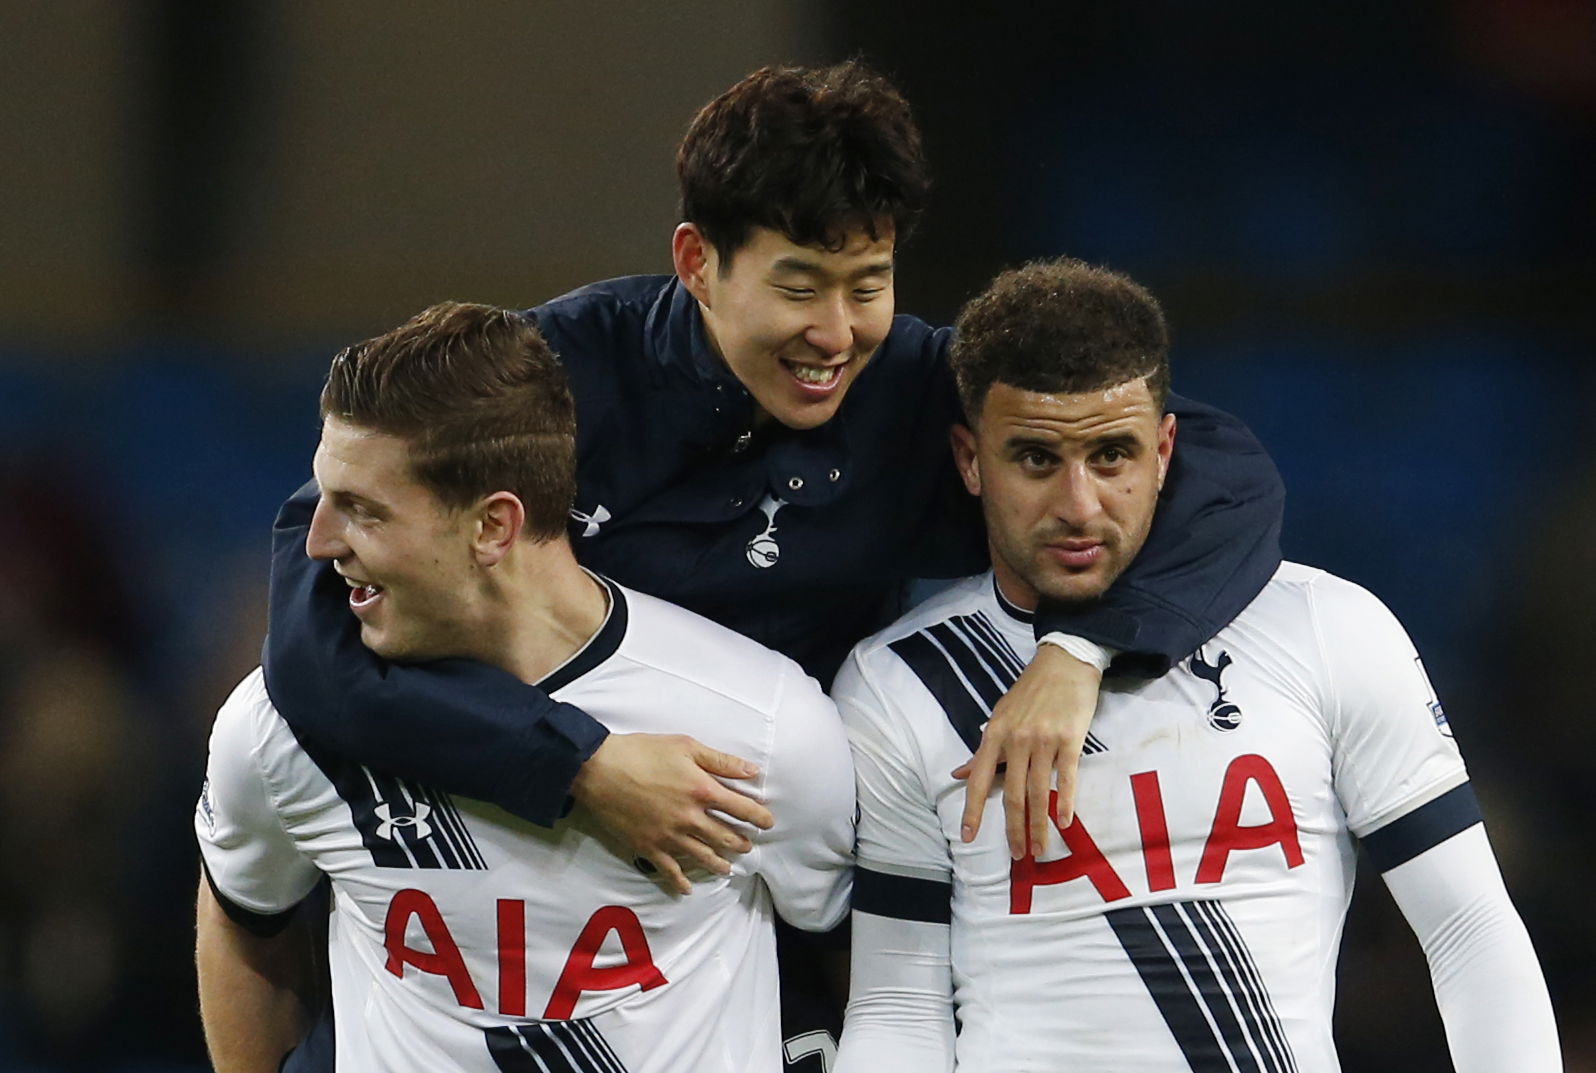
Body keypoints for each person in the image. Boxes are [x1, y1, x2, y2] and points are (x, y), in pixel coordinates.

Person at [261, 62, 1284, 1067]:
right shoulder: (552, 383)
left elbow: (1222, 473)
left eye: (868, 284)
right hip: (483, 846)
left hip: (763, 883)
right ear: (697, 259)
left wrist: (1082, 647)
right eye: (799, 285)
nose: (835, 334)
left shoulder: (914, 392)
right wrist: (573, 764)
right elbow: (310, 633)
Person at [831, 259, 1561, 1072]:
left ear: (1165, 448)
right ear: (970, 460)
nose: (1078, 503)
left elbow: (1469, 931)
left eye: (1112, 455)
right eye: (1036, 459)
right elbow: (898, 1005)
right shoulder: (901, 681)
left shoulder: (1325, 627)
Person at [195, 303, 854, 1073]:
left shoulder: (762, 728)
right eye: (324, 497)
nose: (316, 544)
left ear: (492, 527)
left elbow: (871, 984)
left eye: (363, 512)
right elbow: (245, 927)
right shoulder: (280, 727)